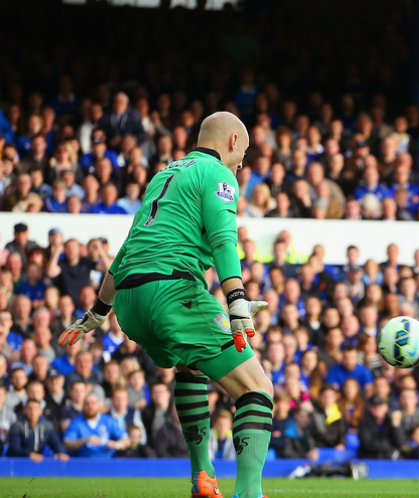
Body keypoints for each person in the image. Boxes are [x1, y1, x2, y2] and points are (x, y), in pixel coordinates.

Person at [57, 112, 271, 498]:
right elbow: (224, 240)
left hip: (130, 302)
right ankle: (249, 493)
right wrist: (236, 299)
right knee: (257, 389)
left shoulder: (164, 176)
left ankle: (202, 475)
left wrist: (98, 313)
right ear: (234, 143)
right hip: (170, 290)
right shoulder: (219, 175)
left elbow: (125, 253)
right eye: (245, 152)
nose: (243, 162)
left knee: (190, 364)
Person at [62, 393, 129, 458]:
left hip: (107, 463)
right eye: (87, 404)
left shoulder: (108, 421)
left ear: (99, 405)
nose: (90, 406)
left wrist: (116, 445)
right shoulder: (76, 422)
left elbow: (126, 440)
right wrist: (85, 441)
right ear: (83, 406)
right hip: (83, 463)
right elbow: (67, 443)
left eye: (93, 403)